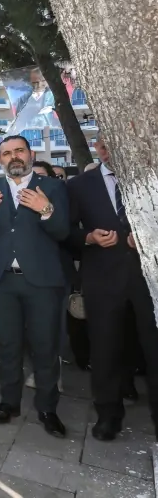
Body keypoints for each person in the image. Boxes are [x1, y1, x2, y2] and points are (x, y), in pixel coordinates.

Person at [0, 134, 69, 438]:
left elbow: (63, 232)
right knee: (9, 345)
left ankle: (47, 408)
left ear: (30, 154)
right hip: (1, 282)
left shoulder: (52, 187)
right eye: (6, 153)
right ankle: (9, 402)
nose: (13, 157)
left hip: (41, 282)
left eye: (19, 151)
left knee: (44, 346)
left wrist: (46, 209)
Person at [67, 133, 158, 442]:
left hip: (148, 279)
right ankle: (108, 415)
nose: (107, 150)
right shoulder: (79, 185)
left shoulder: (149, 176)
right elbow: (67, 232)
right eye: (102, 144)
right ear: (96, 147)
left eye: (113, 143)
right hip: (102, 280)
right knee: (105, 350)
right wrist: (89, 238)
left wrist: (144, 236)